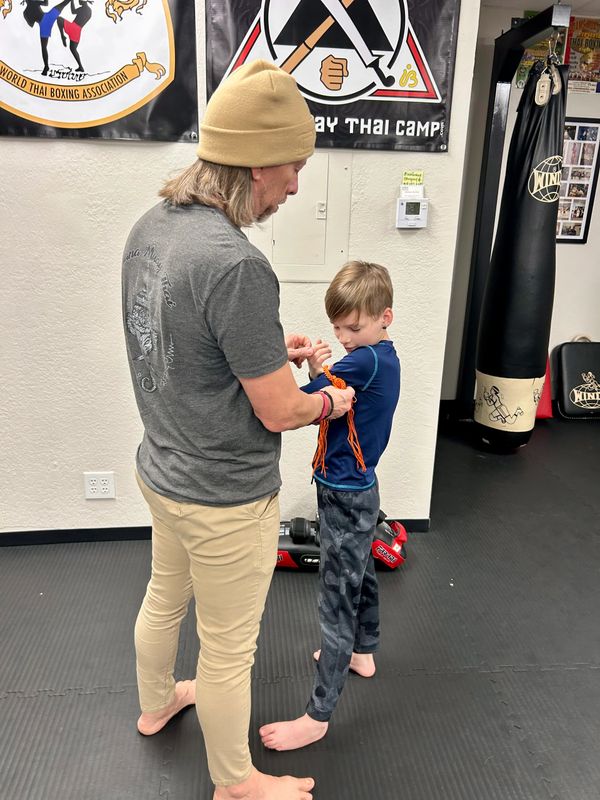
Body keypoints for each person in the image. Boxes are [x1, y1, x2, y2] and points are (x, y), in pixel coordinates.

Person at [121, 60, 355, 800]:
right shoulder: (236, 264)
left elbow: (179, 342)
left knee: (164, 595)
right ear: (257, 164)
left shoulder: (152, 228)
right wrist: (329, 401)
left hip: (161, 471)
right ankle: (236, 783)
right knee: (227, 651)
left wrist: (265, 353)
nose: (296, 187)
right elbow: (280, 411)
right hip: (224, 497)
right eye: (294, 168)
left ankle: (157, 704)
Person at [259, 260, 401, 751]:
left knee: (335, 598)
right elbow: (338, 397)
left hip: (344, 492)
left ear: (385, 317)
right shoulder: (383, 357)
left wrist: (309, 370)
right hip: (359, 487)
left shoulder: (362, 361)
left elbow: (303, 402)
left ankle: (317, 716)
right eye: (337, 328)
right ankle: (363, 652)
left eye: (353, 328)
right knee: (361, 572)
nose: (343, 338)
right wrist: (321, 368)